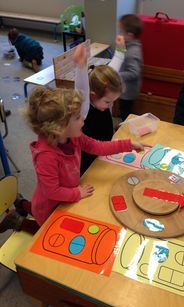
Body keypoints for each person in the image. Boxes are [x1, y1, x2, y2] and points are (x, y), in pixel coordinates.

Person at [0, 43, 145, 231]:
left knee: (39, 209)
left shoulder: (74, 136)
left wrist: (128, 144)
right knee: (46, 230)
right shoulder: (46, 155)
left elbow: (98, 147)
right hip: (51, 206)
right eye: (78, 117)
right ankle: (19, 221)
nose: (83, 119)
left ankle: (22, 205)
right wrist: (77, 193)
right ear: (60, 127)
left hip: (62, 195)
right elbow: (52, 191)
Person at [79, 35, 126, 174]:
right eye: (108, 102)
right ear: (92, 95)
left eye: (113, 101)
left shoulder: (102, 96)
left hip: (103, 152)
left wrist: (120, 51)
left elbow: (114, 69)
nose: (111, 106)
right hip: (88, 159)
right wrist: (81, 67)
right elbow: (81, 87)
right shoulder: (84, 107)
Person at [118, 14, 143, 121]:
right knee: (124, 110)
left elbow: (134, 73)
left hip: (128, 92)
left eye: (121, 31)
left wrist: (117, 75)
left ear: (129, 35)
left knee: (126, 112)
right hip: (125, 89)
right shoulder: (129, 46)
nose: (119, 33)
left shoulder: (133, 52)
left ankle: (125, 127)